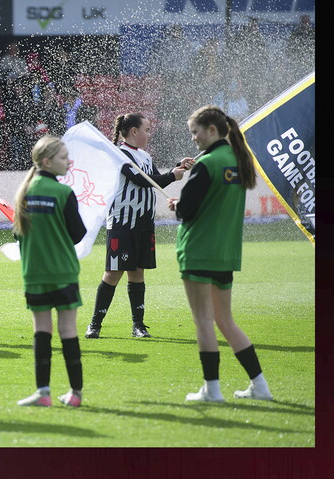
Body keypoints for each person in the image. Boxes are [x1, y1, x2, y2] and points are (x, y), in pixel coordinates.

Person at [167, 105, 273, 403]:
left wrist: (178, 206)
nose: (193, 138)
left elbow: (187, 211)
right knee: (225, 321)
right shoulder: (237, 160)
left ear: (212, 130)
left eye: (195, 132)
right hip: (225, 253)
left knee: (203, 321)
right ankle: (260, 386)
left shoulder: (207, 163)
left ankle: (212, 390)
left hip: (199, 251)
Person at [85, 113, 192, 340]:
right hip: (123, 223)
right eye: (146, 129)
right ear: (133, 131)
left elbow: (154, 177)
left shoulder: (144, 155)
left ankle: (138, 326)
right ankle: (94, 324)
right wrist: (173, 176)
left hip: (144, 224)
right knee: (113, 273)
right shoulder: (119, 154)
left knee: (137, 272)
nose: (148, 134)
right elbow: (142, 180)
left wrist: (177, 167)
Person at [13, 135, 87, 407]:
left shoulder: (25, 191)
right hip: (64, 272)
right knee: (68, 329)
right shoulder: (64, 193)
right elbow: (78, 234)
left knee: (42, 330)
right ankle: (75, 394)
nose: (69, 162)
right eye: (64, 157)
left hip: (34, 272)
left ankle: (42, 393)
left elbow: (17, 234)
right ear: (47, 161)